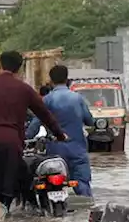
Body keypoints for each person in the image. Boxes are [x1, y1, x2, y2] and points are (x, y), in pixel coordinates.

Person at [0, 51, 67, 219]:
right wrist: (60, 135)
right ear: (20, 68)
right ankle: (3, 214)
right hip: (10, 143)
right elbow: (45, 115)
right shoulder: (25, 89)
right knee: (9, 189)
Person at [27, 65, 95, 196]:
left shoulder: (47, 100)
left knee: (51, 186)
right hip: (78, 150)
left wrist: (26, 138)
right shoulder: (78, 98)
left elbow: (34, 126)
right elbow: (89, 121)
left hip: (55, 151)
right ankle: (87, 215)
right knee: (82, 185)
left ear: (51, 81)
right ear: (67, 79)